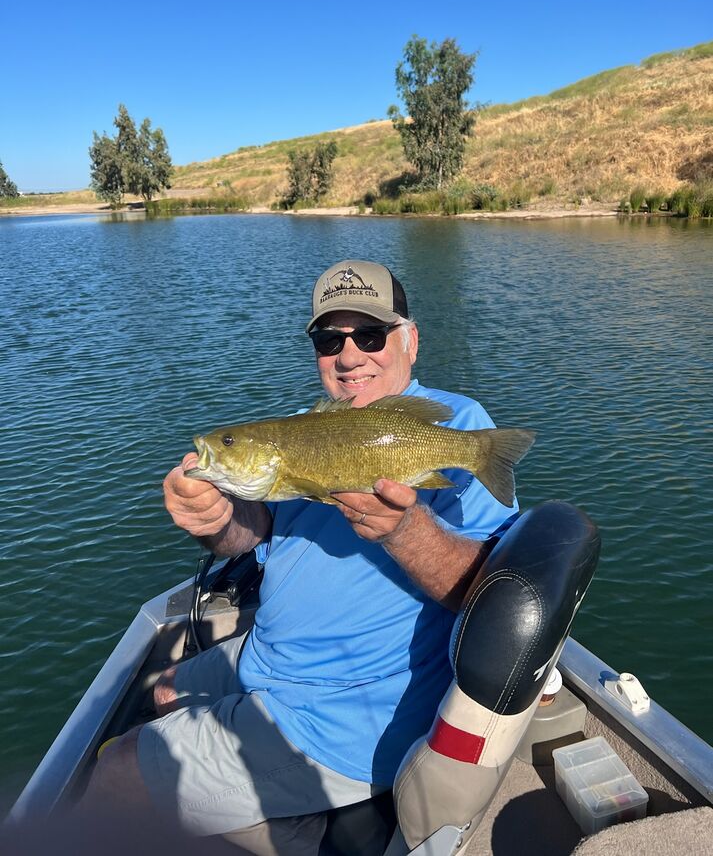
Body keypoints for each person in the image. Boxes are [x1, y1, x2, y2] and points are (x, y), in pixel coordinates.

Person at [82, 260, 518, 851]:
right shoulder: (305, 428)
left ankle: (293, 819)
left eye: (369, 335)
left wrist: (404, 528)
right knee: (160, 692)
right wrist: (216, 522)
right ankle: (271, 812)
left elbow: (489, 593)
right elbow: (255, 531)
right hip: (271, 657)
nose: (348, 356)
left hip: (341, 714)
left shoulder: (462, 424)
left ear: (410, 340)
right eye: (328, 339)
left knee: (114, 774)